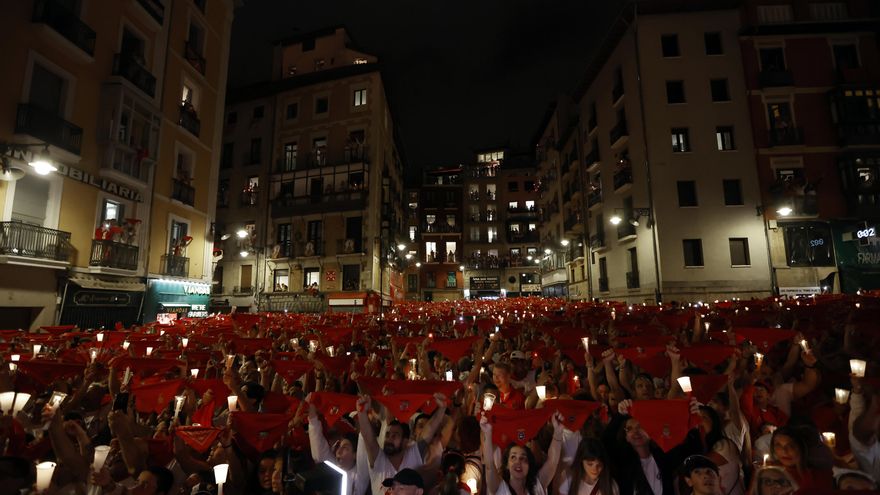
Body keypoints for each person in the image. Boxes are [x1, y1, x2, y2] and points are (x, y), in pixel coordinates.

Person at [479, 412, 564, 495]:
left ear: (529, 465)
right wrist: (487, 432)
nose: (518, 462)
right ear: (507, 465)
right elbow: (489, 465)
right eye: (513, 457)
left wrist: (558, 432)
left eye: (523, 458)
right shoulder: (499, 488)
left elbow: (552, 462)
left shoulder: (537, 487)